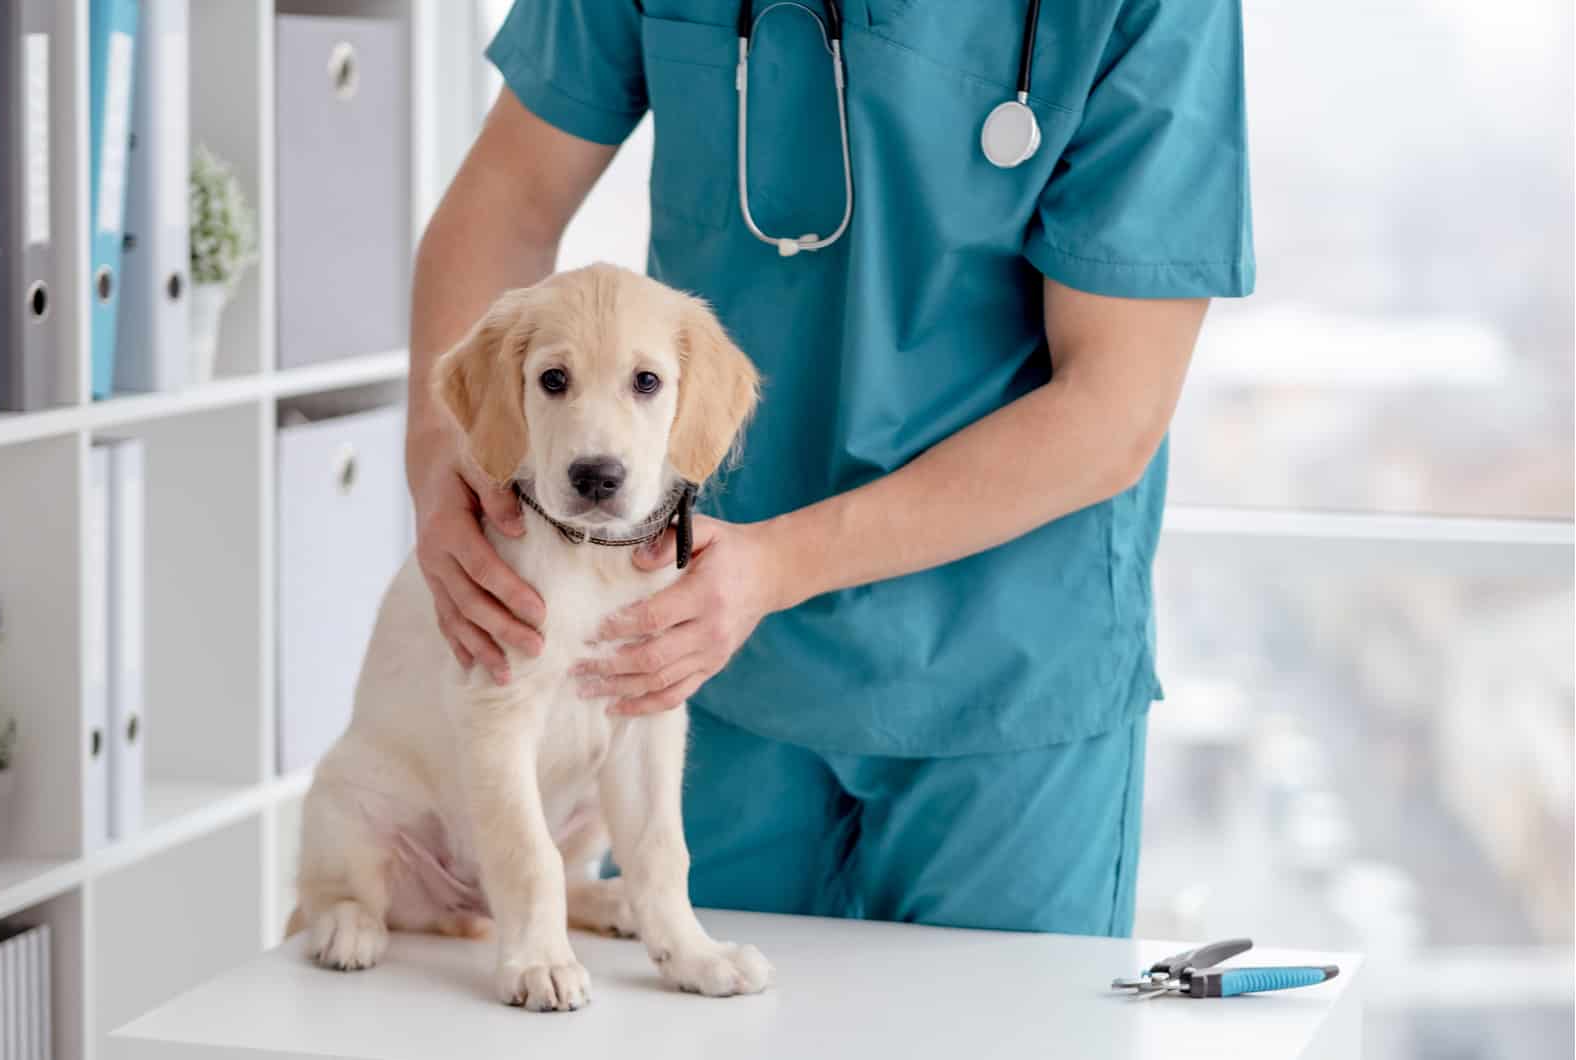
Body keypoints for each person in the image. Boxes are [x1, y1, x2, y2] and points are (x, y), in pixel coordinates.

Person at [405, 0, 1252, 936]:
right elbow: (509, 197)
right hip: (704, 667)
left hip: (1000, 672)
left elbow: (1112, 409)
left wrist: (777, 565)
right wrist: (442, 454)